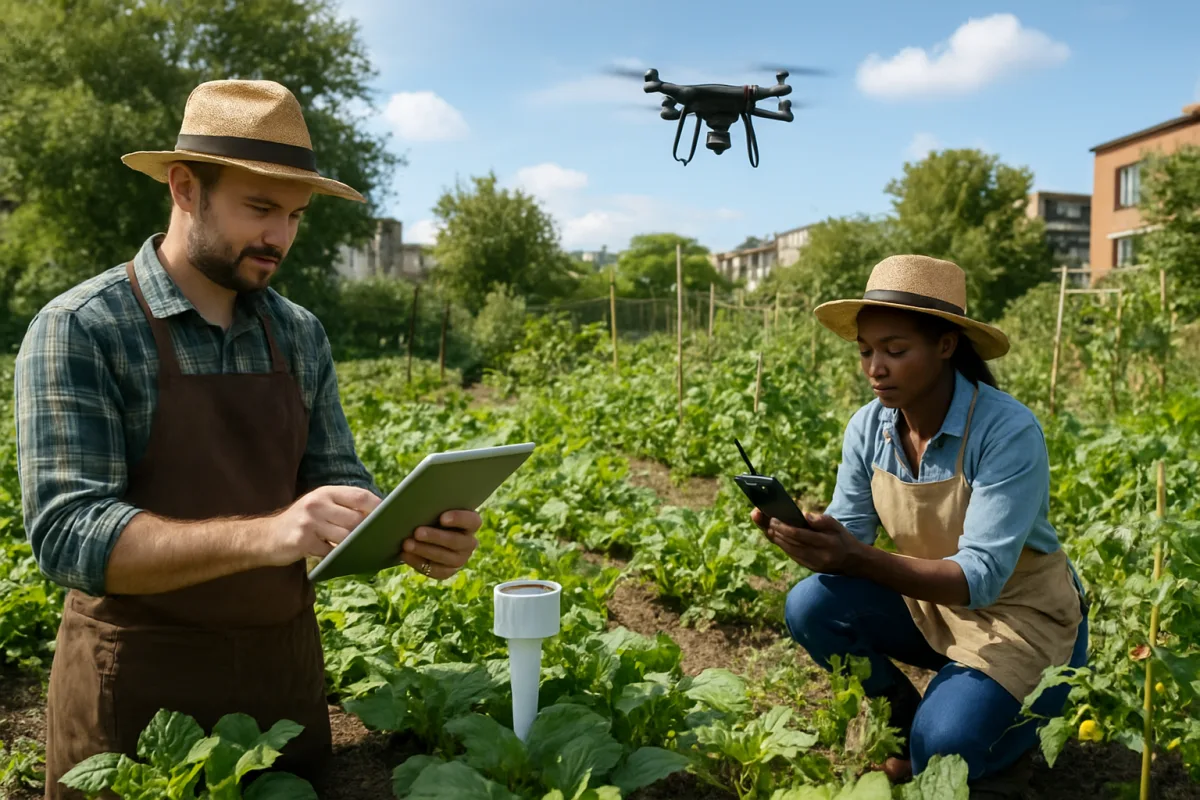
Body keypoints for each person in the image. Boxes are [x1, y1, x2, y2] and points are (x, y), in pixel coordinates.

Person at [13, 79, 483, 800]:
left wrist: (405, 532)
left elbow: (336, 481)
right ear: (184, 188)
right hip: (135, 702)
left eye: (295, 216)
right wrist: (269, 536)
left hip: (279, 690)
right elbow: (69, 536)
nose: (280, 237)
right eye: (259, 208)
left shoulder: (297, 334)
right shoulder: (82, 327)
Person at [753, 255, 1088, 796]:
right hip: (931, 605)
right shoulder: (869, 427)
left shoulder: (1006, 430)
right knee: (810, 605)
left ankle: (1008, 746)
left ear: (946, 345)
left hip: (1023, 620)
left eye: (895, 350)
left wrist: (855, 558)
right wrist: (806, 537)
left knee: (947, 746)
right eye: (866, 351)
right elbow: (853, 535)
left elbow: (978, 578)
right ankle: (905, 718)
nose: (874, 368)